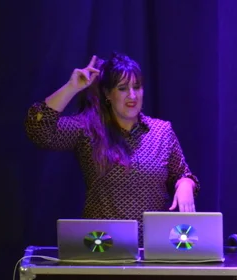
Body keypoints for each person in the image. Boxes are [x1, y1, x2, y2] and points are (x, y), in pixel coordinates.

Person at [24, 53, 199, 234]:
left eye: (137, 87)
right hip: (103, 244)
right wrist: (71, 87)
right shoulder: (88, 129)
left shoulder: (161, 131)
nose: (132, 95)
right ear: (108, 94)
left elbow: (182, 175)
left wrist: (185, 184)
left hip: (152, 244)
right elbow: (38, 130)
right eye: (122, 88)